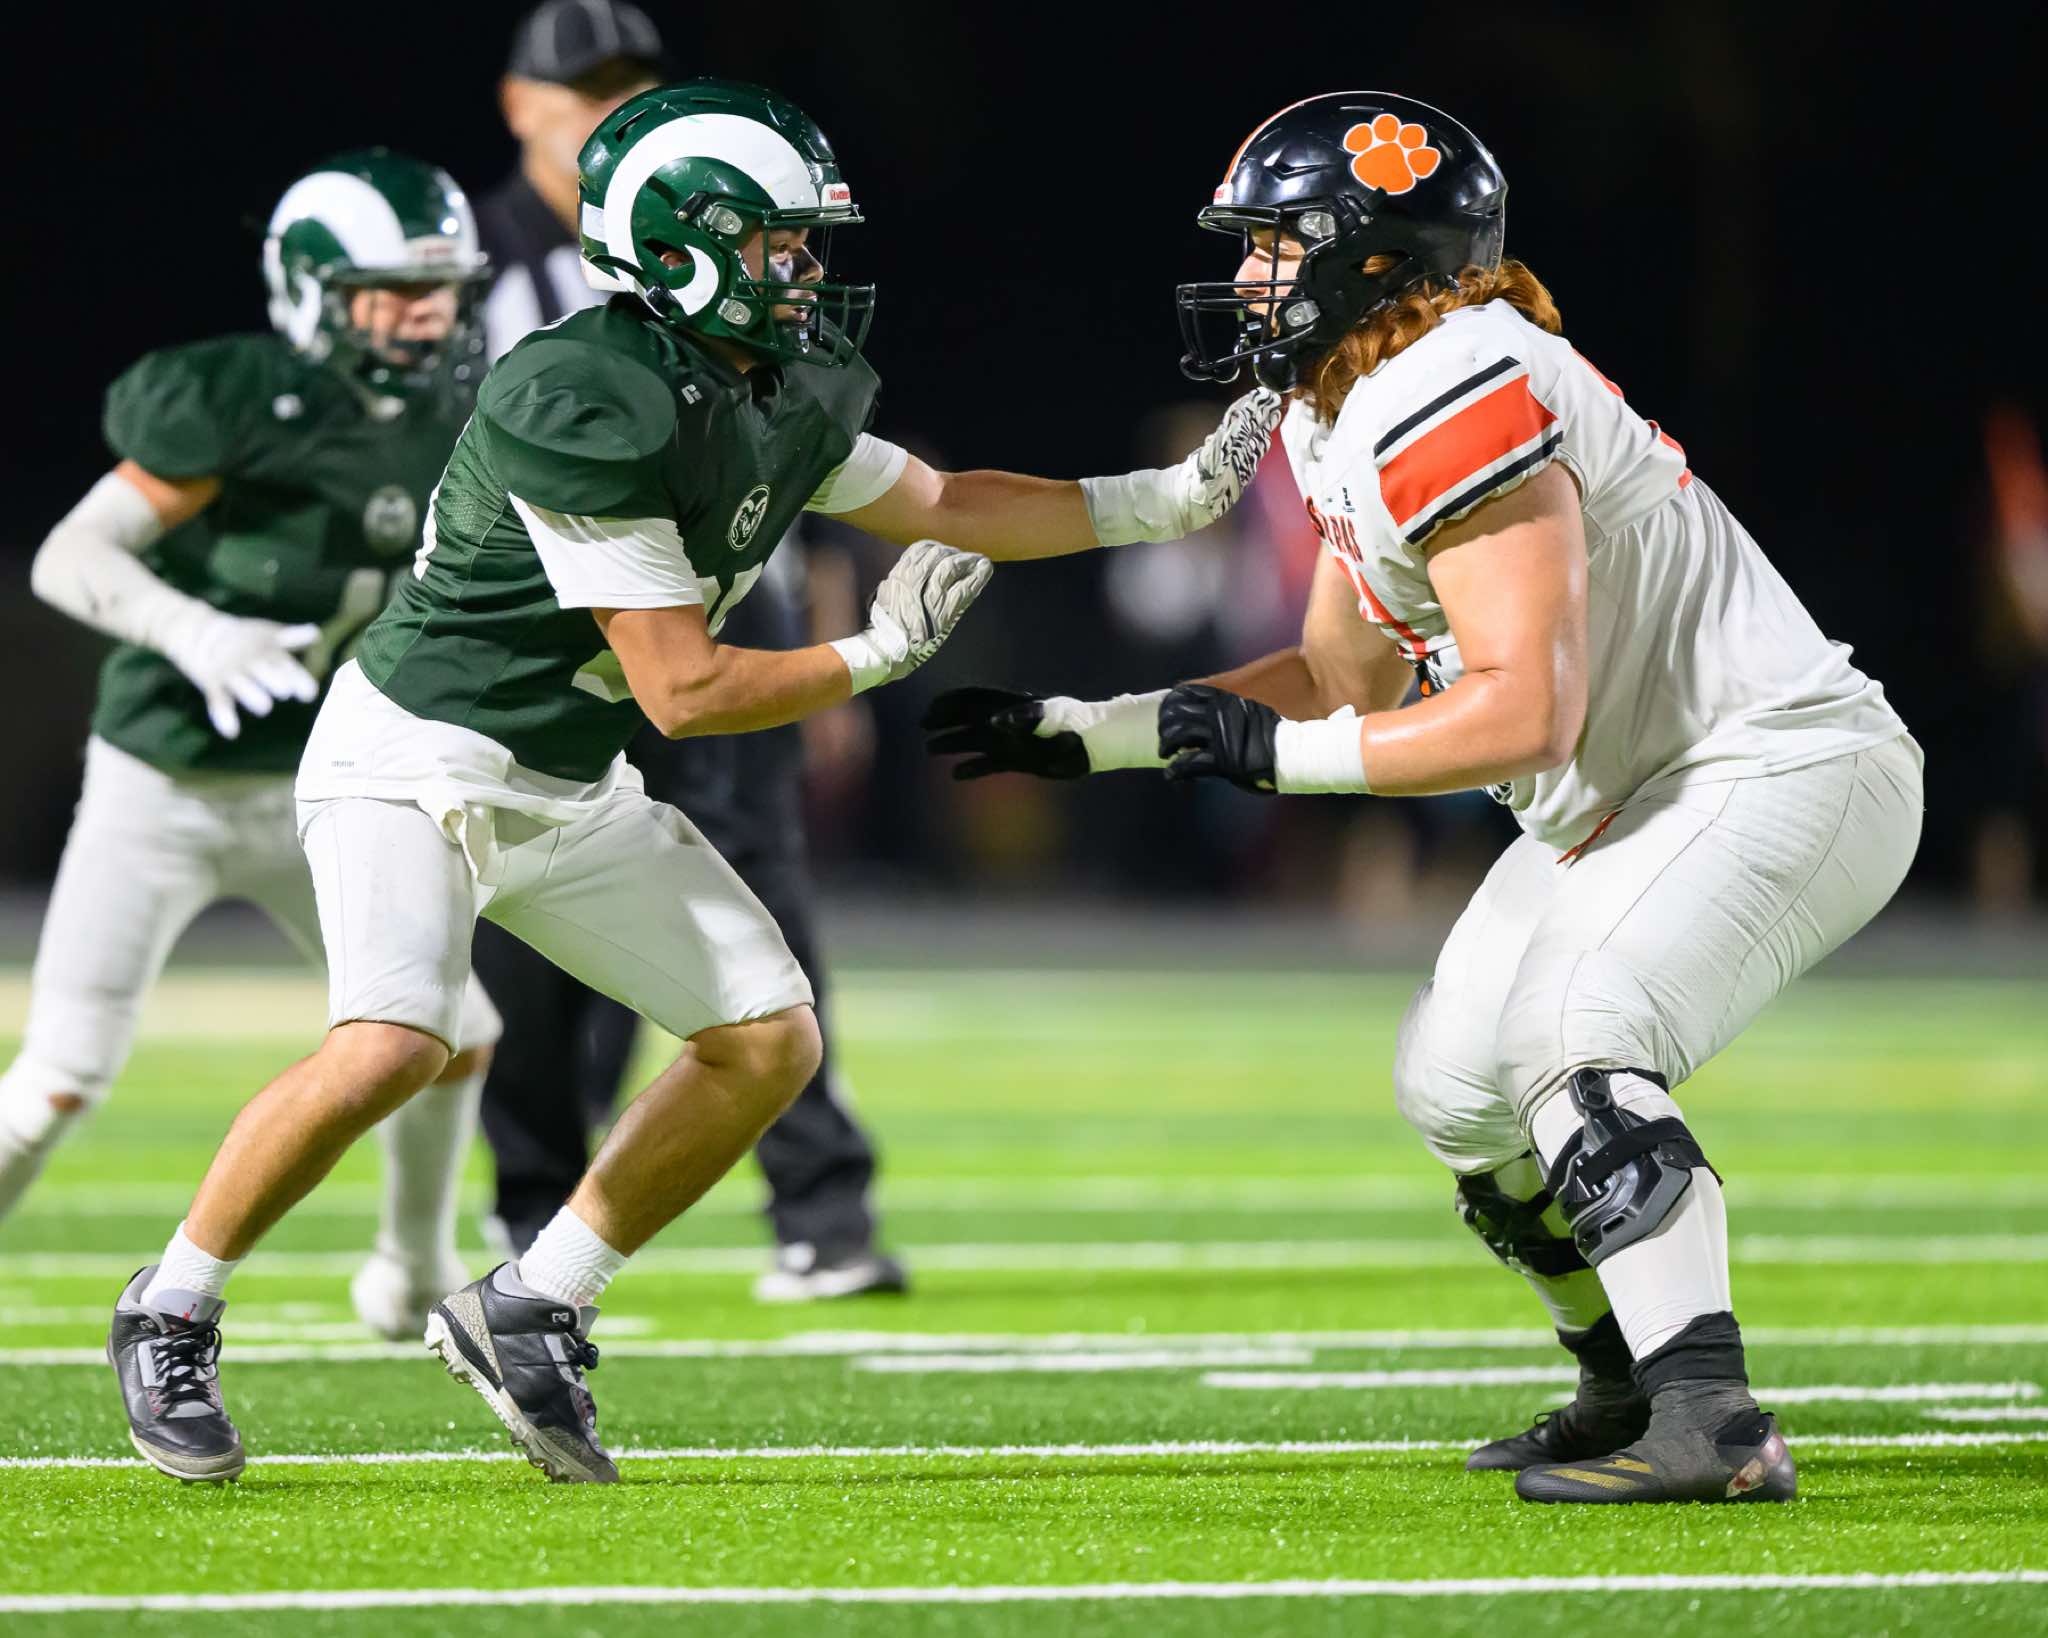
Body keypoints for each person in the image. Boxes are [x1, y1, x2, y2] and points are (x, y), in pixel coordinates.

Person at [106, 79, 1282, 1485]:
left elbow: (947, 500)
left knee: (766, 1037)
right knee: (395, 1041)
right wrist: (873, 654)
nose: (810, 272)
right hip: (412, 759)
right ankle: (170, 1306)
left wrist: (1164, 501)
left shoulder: (768, 379)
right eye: (783, 243)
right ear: (683, 249)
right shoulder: (578, 395)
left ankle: (533, 1302)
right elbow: (685, 689)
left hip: (564, 773)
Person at [925, 91, 1922, 1505]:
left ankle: (1713, 1418)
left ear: (1374, 253)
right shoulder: (1342, 403)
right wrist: (1100, 735)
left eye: (1274, 244)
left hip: (1773, 760)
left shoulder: (1455, 378)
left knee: (1574, 1029)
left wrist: (1274, 762)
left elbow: (1521, 709)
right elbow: (1345, 678)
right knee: (1456, 1091)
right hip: (1628, 795)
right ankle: (1623, 1376)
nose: (1249, 277)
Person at [7, 153, 505, 1352]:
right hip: (163, 784)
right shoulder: (237, 398)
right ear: (312, 289)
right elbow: (69, 557)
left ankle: (413, 1266)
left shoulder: (462, 410)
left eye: (439, 287)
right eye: (394, 289)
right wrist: (194, 628)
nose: (426, 314)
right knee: (60, 1074)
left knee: (451, 1029)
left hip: (324, 789)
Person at [475, 0, 902, 1300]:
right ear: (518, 105)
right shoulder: (474, 266)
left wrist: (825, 633)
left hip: (730, 600)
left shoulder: (727, 223)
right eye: (582, 86)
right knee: (532, 922)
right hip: (560, 624)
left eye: (632, 81)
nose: (610, 105)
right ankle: (536, 1203)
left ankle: (820, 1207)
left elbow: (795, 452)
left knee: (763, 893)